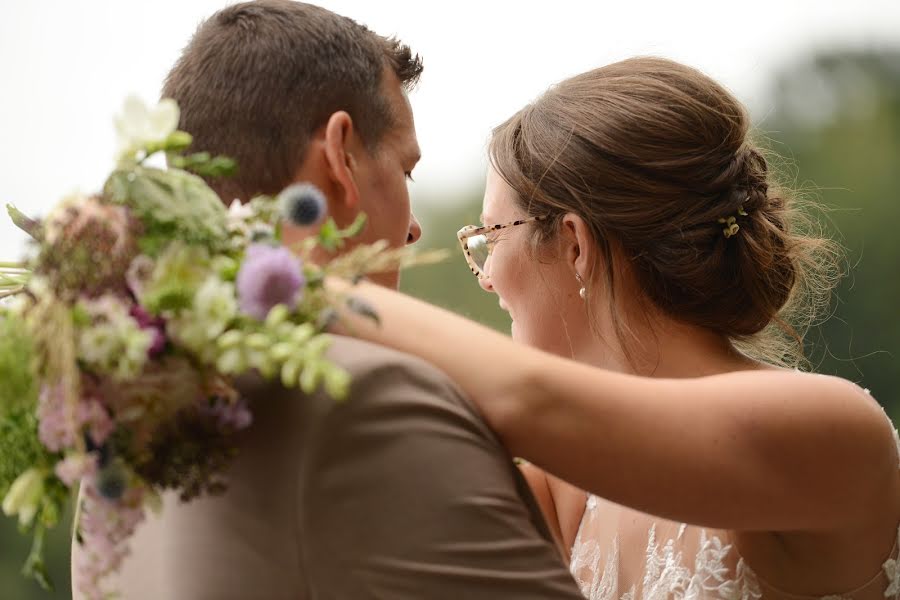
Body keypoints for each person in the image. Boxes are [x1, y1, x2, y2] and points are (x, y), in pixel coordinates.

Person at [327, 57, 900, 600]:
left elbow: (525, 397)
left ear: (575, 244)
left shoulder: (832, 429)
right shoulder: (563, 488)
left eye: (492, 236)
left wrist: (300, 287)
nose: (487, 276)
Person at [70, 2, 585, 598]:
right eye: (404, 168)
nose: (414, 228)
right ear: (342, 154)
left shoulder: (118, 429)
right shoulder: (370, 400)